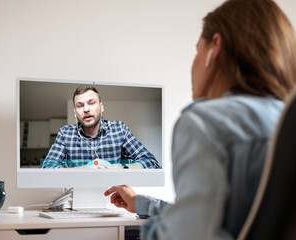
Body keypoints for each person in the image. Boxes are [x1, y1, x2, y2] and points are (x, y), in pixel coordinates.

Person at [104, 0, 296, 239]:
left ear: (215, 47)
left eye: (197, 51)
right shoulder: (286, 118)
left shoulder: (205, 122)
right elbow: (220, 220)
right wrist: (142, 203)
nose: (193, 63)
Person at [42, 86, 160, 169]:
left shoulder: (119, 129)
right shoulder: (65, 133)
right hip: (78, 194)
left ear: (101, 107)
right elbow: (47, 167)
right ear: (75, 112)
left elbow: (151, 162)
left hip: (116, 196)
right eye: (80, 105)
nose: (86, 109)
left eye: (91, 103)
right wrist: (83, 170)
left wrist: (121, 167)